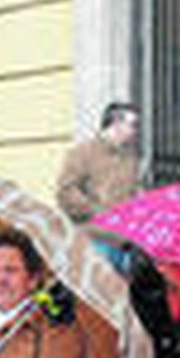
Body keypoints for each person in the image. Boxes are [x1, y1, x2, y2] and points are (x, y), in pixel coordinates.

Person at [56, 101, 142, 270]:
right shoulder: (82, 153)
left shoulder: (131, 160)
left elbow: (133, 196)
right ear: (116, 124)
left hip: (125, 244)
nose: (135, 131)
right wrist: (100, 211)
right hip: (94, 240)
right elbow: (65, 192)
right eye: (132, 125)